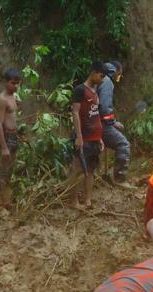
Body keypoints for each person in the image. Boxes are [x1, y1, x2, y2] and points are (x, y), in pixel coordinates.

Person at [66, 61, 105, 210]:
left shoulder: (95, 93)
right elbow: (75, 112)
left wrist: (100, 137)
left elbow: (96, 115)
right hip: (84, 137)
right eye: (101, 76)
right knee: (77, 170)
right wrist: (79, 135)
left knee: (91, 170)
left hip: (95, 137)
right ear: (94, 72)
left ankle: (88, 200)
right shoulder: (80, 90)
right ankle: (74, 202)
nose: (101, 80)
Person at [96, 60, 133, 188]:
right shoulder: (107, 82)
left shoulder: (99, 77)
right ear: (116, 72)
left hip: (92, 120)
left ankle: (102, 175)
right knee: (123, 145)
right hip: (100, 123)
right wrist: (113, 123)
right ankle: (120, 179)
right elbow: (105, 107)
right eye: (119, 75)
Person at [0, 68, 21, 207]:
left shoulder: (13, 97)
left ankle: (6, 200)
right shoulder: (2, 100)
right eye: (12, 83)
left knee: (9, 170)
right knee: (3, 171)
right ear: (6, 82)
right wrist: (4, 147)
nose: (15, 86)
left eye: (17, 83)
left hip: (13, 135)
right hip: (6, 136)